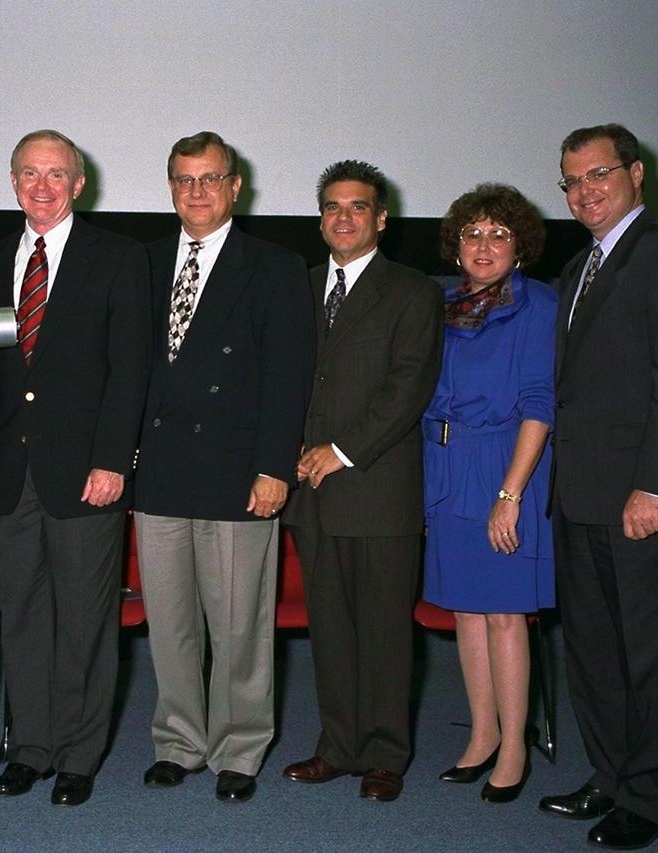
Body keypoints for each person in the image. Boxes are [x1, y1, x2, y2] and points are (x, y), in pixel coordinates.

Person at [540, 124, 658, 850]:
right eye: (572, 180)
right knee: (594, 652)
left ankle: (649, 799)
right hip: (580, 497)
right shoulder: (573, 271)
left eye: (598, 174)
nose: (585, 190)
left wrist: (653, 488)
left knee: (652, 655)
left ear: (636, 175)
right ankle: (610, 777)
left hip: (646, 504)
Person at [0, 129, 150, 807]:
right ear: (13, 183)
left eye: (55, 175)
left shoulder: (119, 258)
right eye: (28, 174)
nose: (41, 186)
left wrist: (112, 461)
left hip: (86, 471)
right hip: (12, 471)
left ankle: (78, 753)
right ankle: (31, 746)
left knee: (84, 619)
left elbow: (131, 370)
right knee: (23, 615)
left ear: (79, 184)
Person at [132, 131, 314, 803]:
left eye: (211, 179)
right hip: (159, 472)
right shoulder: (146, 263)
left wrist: (274, 468)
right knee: (171, 621)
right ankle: (178, 739)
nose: (198, 191)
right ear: (170, 187)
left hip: (238, 471)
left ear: (237, 187)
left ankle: (239, 745)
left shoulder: (274, 265)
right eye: (185, 179)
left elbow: (288, 376)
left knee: (238, 624)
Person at [281, 160, 441, 803]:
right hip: (310, 492)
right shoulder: (300, 286)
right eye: (332, 207)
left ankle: (384, 754)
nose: (343, 218)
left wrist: (340, 451)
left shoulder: (413, 292)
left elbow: (410, 385)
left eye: (357, 207)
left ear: (380, 219)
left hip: (375, 488)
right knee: (332, 628)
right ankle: (338, 747)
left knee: (382, 629)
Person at [421, 184, 556, 804]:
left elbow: (539, 404)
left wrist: (511, 495)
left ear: (519, 247)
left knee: (504, 614)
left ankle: (514, 746)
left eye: (498, 234)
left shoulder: (537, 305)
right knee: (466, 611)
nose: (483, 245)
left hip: (506, 465)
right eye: (473, 233)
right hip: (444, 465)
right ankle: (480, 735)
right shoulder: (440, 303)